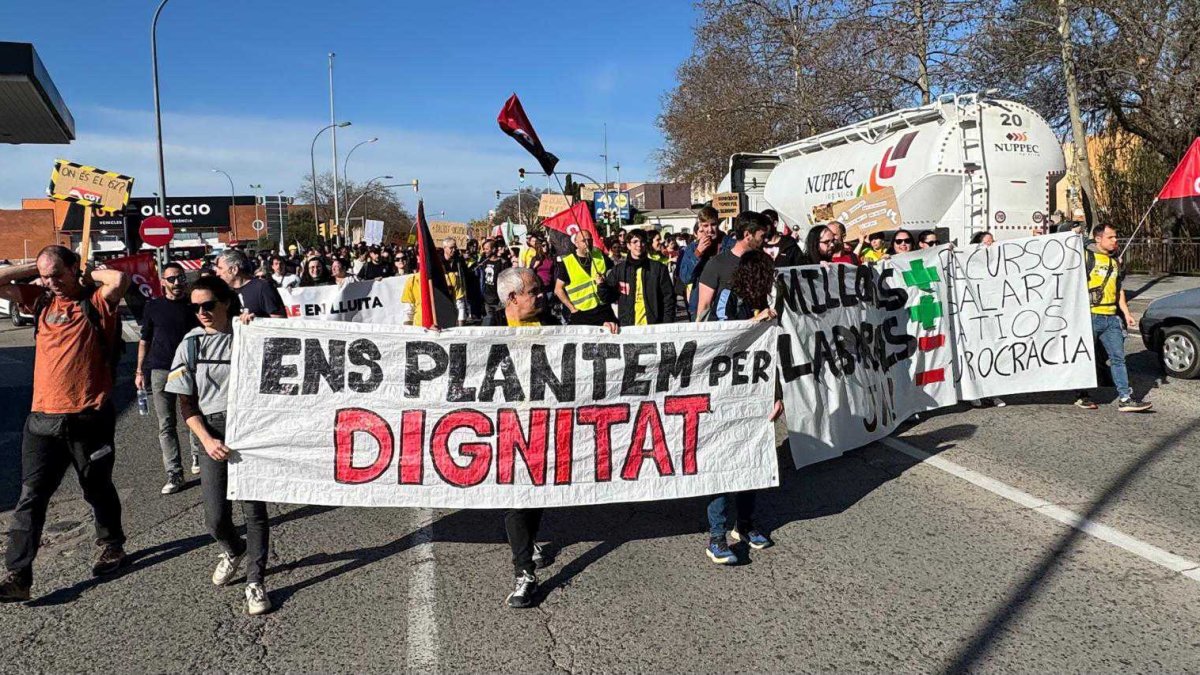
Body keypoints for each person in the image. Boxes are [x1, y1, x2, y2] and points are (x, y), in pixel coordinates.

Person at [0, 246, 130, 602]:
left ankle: (112, 544)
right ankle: (19, 576)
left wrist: (90, 273)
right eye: (46, 276)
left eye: (57, 274)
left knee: (96, 486)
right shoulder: (40, 301)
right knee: (31, 496)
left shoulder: (96, 303)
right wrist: (33, 268)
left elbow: (119, 279)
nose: (51, 282)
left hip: (89, 416)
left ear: (74, 268)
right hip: (42, 418)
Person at [484, 267, 617, 608]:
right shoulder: (487, 329)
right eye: (534, 291)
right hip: (509, 427)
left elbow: (580, 337)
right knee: (516, 498)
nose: (542, 295)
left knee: (537, 491)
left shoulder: (550, 321)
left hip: (546, 424)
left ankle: (529, 544)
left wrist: (603, 331)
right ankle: (524, 573)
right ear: (512, 298)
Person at [166, 276, 273, 615]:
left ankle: (256, 581)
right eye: (196, 307)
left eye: (208, 305)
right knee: (215, 519)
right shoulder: (191, 344)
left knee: (254, 511)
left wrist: (258, 327)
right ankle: (233, 549)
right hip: (211, 432)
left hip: (249, 431)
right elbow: (186, 405)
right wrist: (207, 439)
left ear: (226, 302)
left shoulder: (249, 333)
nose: (202, 312)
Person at [701, 249, 782, 563]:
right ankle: (716, 536)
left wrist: (776, 394)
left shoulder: (765, 302)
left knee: (751, 459)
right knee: (723, 463)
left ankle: (745, 525)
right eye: (768, 275)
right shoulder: (728, 296)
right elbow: (721, 337)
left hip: (753, 393)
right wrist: (753, 321)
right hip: (723, 393)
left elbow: (770, 353)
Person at [137, 262, 201, 493]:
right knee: (166, 424)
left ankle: (198, 456)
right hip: (161, 369)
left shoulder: (194, 305)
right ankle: (174, 472)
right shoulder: (153, 307)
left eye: (180, 278)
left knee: (194, 415)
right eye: (171, 279)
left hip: (189, 369)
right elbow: (144, 340)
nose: (177, 283)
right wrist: (139, 371)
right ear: (163, 282)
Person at [1074, 224, 1152, 412]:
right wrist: (1071, 236)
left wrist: (1126, 313)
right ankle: (1082, 395)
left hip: (1111, 318)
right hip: (1089, 316)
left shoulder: (1115, 261)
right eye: (1110, 237)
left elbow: (1119, 290)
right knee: (1085, 358)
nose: (1115, 240)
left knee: (1118, 358)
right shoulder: (1086, 257)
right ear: (1098, 239)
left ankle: (1125, 398)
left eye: (1115, 237)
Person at [696, 211, 771, 320]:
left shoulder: (763, 262)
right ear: (747, 235)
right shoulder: (717, 264)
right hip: (728, 327)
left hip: (762, 327)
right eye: (762, 236)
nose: (765, 240)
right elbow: (704, 307)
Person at [603, 229, 676, 326]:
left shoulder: (659, 268)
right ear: (628, 245)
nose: (639, 245)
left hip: (654, 326)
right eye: (635, 242)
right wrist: (601, 286)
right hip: (628, 327)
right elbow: (607, 298)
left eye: (642, 241)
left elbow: (669, 298)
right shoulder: (619, 270)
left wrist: (667, 324)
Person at [678, 206, 735, 318]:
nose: (710, 230)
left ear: (718, 223)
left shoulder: (731, 244)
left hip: (726, 304)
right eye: (705, 226)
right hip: (700, 304)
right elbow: (685, 278)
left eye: (713, 224)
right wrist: (697, 253)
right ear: (700, 225)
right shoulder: (692, 248)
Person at [554, 229, 616, 326]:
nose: (587, 243)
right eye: (584, 241)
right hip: (582, 313)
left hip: (603, 310)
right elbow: (558, 290)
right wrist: (572, 309)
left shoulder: (600, 255)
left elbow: (613, 275)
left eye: (590, 240)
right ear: (576, 243)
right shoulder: (567, 262)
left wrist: (604, 281)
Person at [215, 249, 286, 318]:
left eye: (220, 268)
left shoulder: (262, 288)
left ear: (234, 269)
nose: (217, 273)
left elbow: (280, 322)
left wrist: (256, 321)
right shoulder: (223, 292)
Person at [476, 238, 510, 317]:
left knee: (499, 320)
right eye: (484, 249)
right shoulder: (484, 262)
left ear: (494, 249)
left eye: (487, 249)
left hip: (498, 299)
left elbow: (506, 280)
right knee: (489, 319)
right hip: (487, 298)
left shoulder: (503, 263)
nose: (485, 251)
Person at [441, 238, 471, 326]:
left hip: (459, 291)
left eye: (455, 247)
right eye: (451, 248)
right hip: (445, 293)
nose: (454, 250)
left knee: (461, 309)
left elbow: (466, 273)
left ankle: (461, 328)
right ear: (444, 248)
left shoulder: (459, 260)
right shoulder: (439, 260)